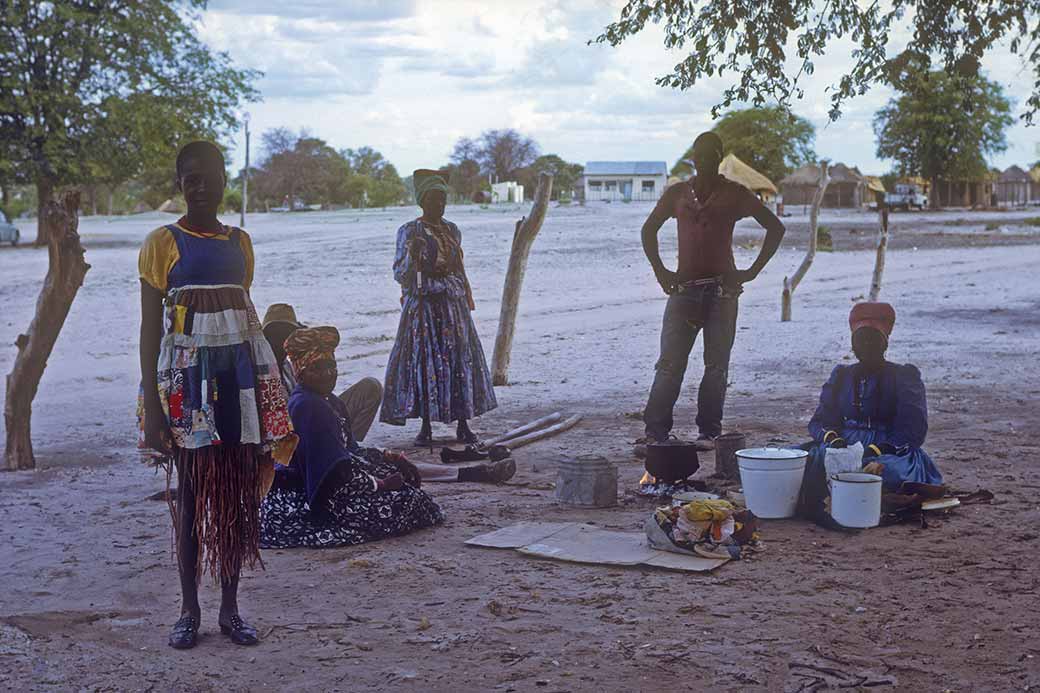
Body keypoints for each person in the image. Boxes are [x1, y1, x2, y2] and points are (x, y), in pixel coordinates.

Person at [138, 141, 297, 650]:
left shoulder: (240, 243)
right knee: (190, 498)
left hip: (239, 383)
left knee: (236, 496)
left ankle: (231, 610)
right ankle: (189, 611)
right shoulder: (162, 243)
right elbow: (150, 331)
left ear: (226, 181)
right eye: (191, 178)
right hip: (186, 388)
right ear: (179, 184)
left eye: (210, 177)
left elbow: (243, 319)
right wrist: (154, 410)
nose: (201, 186)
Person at [261, 326, 484, 549]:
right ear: (301, 372)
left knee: (396, 480)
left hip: (317, 487)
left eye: (331, 366)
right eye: (317, 368)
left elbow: (351, 452)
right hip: (300, 500)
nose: (328, 374)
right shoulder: (309, 407)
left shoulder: (327, 401)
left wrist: (390, 458)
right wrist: (380, 484)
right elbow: (332, 474)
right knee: (412, 502)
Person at [641, 132, 786, 449]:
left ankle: (708, 432)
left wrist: (751, 271)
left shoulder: (734, 193)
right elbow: (648, 230)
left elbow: (776, 227)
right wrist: (660, 271)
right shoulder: (677, 193)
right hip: (683, 291)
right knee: (669, 364)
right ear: (693, 158)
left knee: (716, 366)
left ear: (719, 157)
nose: (704, 160)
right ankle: (655, 433)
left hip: (723, 293)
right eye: (700, 155)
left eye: (711, 155)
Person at [381, 169, 497, 446]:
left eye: (442, 199)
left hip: (452, 306)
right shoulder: (409, 231)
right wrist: (412, 256)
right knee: (425, 361)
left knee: (459, 361)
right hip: (424, 307)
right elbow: (401, 274)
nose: (439, 204)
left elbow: (458, 267)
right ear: (422, 201)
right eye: (434, 199)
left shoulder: (452, 230)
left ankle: (463, 424)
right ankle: (425, 427)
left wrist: (462, 293)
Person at [800, 302, 942, 512]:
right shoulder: (841, 376)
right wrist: (834, 440)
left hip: (890, 449)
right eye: (860, 341)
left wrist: (879, 450)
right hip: (844, 444)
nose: (866, 347)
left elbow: (913, 428)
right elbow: (822, 420)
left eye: (873, 341)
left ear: (884, 345)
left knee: (886, 472)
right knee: (803, 462)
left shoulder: (904, 376)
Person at [262, 303, 383, 442]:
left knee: (371, 386)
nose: (280, 339)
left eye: (286, 333)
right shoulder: (262, 372)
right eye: (276, 334)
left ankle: (349, 445)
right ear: (265, 338)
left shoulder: (290, 364)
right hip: (297, 432)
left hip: (316, 414)